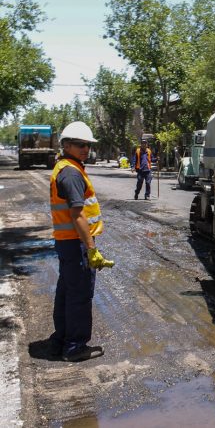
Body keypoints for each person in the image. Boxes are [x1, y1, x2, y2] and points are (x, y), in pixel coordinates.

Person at [49, 121, 114, 362]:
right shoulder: (71, 173)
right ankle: (75, 347)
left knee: (67, 290)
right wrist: (91, 249)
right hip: (76, 243)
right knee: (79, 294)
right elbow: (77, 214)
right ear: (66, 145)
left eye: (87, 144)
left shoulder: (66, 167)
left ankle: (60, 340)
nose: (85, 148)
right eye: (79, 144)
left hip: (67, 242)